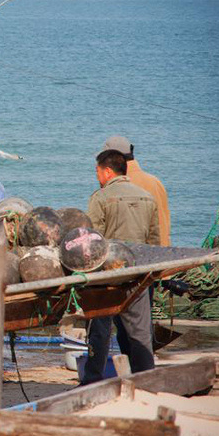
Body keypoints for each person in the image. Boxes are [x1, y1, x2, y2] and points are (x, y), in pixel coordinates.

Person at [82, 149, 160, 385]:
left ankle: (92, 379)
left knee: (99, 331)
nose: (96, 176)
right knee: (141, 333)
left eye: (97, 171)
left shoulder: (101, 197)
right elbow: (154, 243)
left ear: (107, 171)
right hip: (137, 274)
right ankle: (145, 380)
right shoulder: (147, 197)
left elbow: (93, 241)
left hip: (107, 277)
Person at [100, 135, 170, 246]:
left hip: (131, 256)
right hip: (163, 254)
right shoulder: (156, 182)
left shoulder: (114, 187)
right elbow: (162, 226)